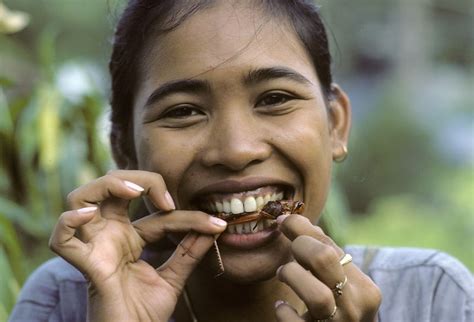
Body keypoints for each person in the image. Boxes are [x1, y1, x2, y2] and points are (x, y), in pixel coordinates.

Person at [9, 0, 473, 321]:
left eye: (274, 98)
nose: (235, 150)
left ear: (335, 124)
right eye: (183, 111)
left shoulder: (433, 297)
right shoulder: (68, 301)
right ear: (124, 146)